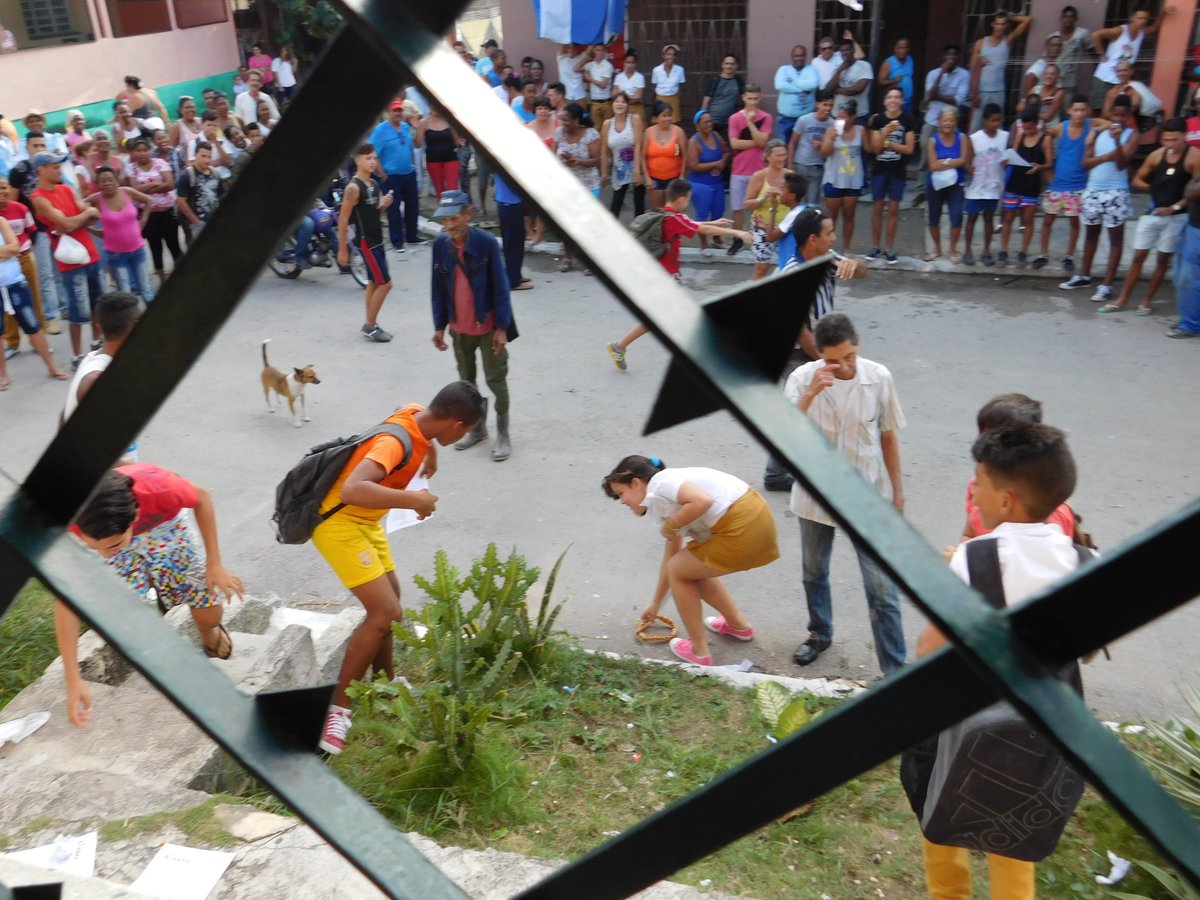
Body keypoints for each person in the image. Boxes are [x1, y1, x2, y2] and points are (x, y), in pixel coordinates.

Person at [917, 422, 1084, 899]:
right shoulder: (1084, 560)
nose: (975, 495)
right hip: (1044, 723)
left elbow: (931, 647)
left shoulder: (975, 558)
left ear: (1007, 499)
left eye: (981, 484)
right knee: (1014, 830)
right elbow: (1085, 648)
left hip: (969, 715)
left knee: (943, 815)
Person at [315, 381, 486, 754]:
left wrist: (431, 454)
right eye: (467, 431)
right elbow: (353, 489)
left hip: (366, 522)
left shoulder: (415, 414)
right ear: (456, 424)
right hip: (340, 524)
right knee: (385, 612)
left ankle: (387, 680)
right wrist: (414, 500)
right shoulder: (395, 444)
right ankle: (337, 711)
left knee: (393, 600)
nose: (463, 437)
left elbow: (406, 416)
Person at [61, 463, 244, 727]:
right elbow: (65, 602)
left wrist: (214, 564)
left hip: (167, 530)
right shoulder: (70, 519)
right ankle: (157, 592)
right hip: (117, 543)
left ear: (135, 515)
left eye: (110, 546)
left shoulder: (161, 487)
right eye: (94, 548)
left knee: (209, 613)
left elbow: (202, 496)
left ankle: (209, 634)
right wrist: (72, 677)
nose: (103, 556)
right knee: (122, 619)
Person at [786, 312, 906, 675]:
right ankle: (819, 634)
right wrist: (810, 395)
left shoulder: (879, 378)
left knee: (882, 589)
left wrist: (898, 494)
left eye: (850, 356)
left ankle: (895, 669)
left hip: (866, 496)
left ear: (858, 347)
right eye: (833, 360)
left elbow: (887, 435)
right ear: (818, 354)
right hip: (815, 495)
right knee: (813, 572)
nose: (843, 366)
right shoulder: (802, 379)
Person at [602, 455, 778, 667]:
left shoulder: (661, 483)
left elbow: (702, 500)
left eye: (621, 493)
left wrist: (671, 525)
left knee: (680, 569)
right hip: (756, 523)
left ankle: (699, 652)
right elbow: (672, 556)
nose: (622, 501)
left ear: (637, 483)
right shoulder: (664, 498)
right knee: (688, 568)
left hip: (741, 525)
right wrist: (656, 604)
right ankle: (739, 626)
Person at [761, 207, 867, 492]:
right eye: (829, 233)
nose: (834, 238)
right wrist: (826, 360)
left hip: (818, 348)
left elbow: (862, 272)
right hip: (798, 352)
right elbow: (799, 330)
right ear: (812, 240)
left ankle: (778, 471)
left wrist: (853, 265)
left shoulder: (828, 259)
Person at [605, 179, 751, 371]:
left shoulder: (665, 214)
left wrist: (713, 222)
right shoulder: (674, 219)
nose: (688, 203)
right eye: (688, 199)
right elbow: (700, 229)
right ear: (681, 199)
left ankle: (620, 346)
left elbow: (690, 224)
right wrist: (737, 233)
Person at [430, 191, 516, 461]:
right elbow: (438, 289)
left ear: (468, 214)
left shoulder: (486, 243)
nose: (449, 226)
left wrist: (502, 327)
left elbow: (501, 287)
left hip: (488, 329)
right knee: (466, 384)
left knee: (496, 381)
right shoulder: (440, 246)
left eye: (454, 218)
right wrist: (439, 326)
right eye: (445, 220)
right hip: (459, 329)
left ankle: (503, 434)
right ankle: (478, 429)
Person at [942, 395, 1076, 562]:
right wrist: (964, 550)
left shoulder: (1049, 513)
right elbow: (969, 532)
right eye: (982, 436)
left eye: (998, 440)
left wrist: (965, 564)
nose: (985, 446)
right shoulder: (980, 489)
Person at [1099, 118, 1200, 315]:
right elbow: (1137, 179)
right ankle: (1122, 299)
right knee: (1138, 257)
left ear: (1185, 137)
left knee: (1162, 260)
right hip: (1152, 213)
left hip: (1177, 216)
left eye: (1175, 140)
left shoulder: (1194, 157)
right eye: (1166, 139)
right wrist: (1153, 187)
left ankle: (1146, 301)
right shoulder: (1156, 155)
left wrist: (1174, 207)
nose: (1170, 144)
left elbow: (1196, 192)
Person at [1059, 95, 1137, 301]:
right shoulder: (1097, 133)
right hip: (1093, 190)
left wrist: (1117, 142)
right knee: (1091, 235)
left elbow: (1121, 164)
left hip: (1116, 192)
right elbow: (1085, 163)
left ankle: (1107, 284)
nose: (1118, 119)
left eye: (1123, 115)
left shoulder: (1131, 135)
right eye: (1115, 114)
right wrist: (1105, 156)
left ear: (1129, 115)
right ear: (1109, 114)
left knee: (1115, 240)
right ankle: (1084, 275)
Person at [30, 150, 102, 367]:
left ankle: (96, 344)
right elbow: (72, 222)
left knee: (96, 305)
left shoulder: (66, 189)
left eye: (59, 166)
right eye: (54, 167)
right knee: (77, 311)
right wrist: (80, 218)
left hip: (89, 254)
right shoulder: (39, 198)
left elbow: (94, 214)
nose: (59, 170)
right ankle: (77, 356)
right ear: (41, 170)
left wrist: (73, 220)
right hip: (70, 262)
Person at [336, 144, 395, 343]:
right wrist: (343, 250)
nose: (372, 162)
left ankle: (371, 322)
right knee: (386, 284)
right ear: (357, 160)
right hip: (366, 242)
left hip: (378, 239)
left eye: (374, 158)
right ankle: (370, 325)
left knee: (373, 282)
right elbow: (343, 220)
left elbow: (374, 209)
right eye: (368, 158)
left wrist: (384, 203)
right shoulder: (353, 188)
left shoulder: (374, 184)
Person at [0, 215, 66, 388]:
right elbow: (8, 249)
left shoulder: (1, 221)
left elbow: (14, 248)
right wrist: (4, 252)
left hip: (14, 282)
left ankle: (52, 367)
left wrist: (8, 250)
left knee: (33, 327)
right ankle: (3, 375)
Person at [1040, 96, 1092, 273]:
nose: (1079, 114)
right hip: (1057, 185)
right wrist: (1048, 167)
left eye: (1082, 110)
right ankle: (1043, 254)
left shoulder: (1090, 126)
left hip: (1078, 185)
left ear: (1087, 112)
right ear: (1070, 111)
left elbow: (1109, 124)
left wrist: (1095, 132)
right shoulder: (1062, 127)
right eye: (1075, 110)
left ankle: (1069, 256)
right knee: (1047, 221)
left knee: (1074, 223)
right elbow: (1046, 134)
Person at [87, 167, 155, 300]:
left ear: (117, 181)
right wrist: (93, 231)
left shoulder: (127, 192)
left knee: (146, 287)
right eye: (103, 181)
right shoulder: (96, 199)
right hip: (116, 254)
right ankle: (131, 320)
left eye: (110, 180)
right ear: (98, 184)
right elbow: (78, 209)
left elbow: (148, 200)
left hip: (137, 249)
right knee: (125, 292)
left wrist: (143, 220)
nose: (107, 183)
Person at [1090, 6, 1172, 114]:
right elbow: (1096, 35)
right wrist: (1101, 54)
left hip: (1121, 80)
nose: (1142, 21)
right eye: (1139, 18)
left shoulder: (1141, 33)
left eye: (1145, 18)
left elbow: (1154, 28)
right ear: (1132, 18)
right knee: (1099, 109)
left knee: (1117, 110)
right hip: (1104, 78)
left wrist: (1163, 13)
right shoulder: (1120, 31)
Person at [998, 109, 1053, 268]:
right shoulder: (1020, 136)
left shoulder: (1045, 140)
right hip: (1015, 182)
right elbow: (1012, 155)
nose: (1027, 131)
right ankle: (1003, 250)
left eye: (1030, 128)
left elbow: (1050, 163)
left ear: (1036, 124)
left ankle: (1023, 251)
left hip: (1031, 184)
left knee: (1028, 220)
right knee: (1008, 218)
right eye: (1025, 127)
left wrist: (1040, 167)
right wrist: (1005, 161)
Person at [866, 87, 916, 262]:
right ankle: (875, 247)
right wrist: (885, 132)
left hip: (897, 170)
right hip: (880, 169)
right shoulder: (878, 119)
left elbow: (909, 149)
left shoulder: (907, 119)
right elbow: (875, 149)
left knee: (894, 209)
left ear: (901, 100)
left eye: (897, 97)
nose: (893, 100)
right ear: (885, 101)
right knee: (878, 208)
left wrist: (890, 145)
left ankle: (889, 248)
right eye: (890, 97)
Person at [370, 99, 425, 254]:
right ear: (388, 112)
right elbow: (374, 153)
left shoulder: (406, 127)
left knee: (413, 205)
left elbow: (412, 146)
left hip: (408, 173)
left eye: (399, 110)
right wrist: (382, 174)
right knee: (393, 208)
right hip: (391, 176)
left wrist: (413, 165)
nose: (397, 113)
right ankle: (397, 241)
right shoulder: (381, 130)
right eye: (394, 110)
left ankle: (412, 235)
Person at [553, 103, 601, 273]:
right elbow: (553, 157)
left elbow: (597, 160)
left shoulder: (591, 134)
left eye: (566, 120)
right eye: (561, 120)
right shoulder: (559, 133)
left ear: (576, 120)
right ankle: (568, 257)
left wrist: (577, 161)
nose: (563, 123)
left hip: (589, 186)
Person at [968, 11, 1031, 131]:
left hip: (998, 91)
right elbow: (972, 69)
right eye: (997, 23)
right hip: (982, 91)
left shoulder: (1007, 42)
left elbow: (1027, 20)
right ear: (993, 24)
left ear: (1006, 25)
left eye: (1003, 24)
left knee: (997, 124)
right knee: (976, 125)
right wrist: (974, 94)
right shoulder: (981, 43)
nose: (1000, 27)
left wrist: (1010, 16)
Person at [962, 104, 1008, 267]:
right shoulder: (975, 138)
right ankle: (967, 251)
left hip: (994, 186)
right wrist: (971, 171)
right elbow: (967, 162)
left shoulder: (1004, 137)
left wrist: (1006, 163)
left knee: (989, 218)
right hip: (977, 186)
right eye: (993, 120)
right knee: (972, 218)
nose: (996, 124)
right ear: (985, 121)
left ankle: (986, 251)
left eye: (998, 120)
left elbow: (1006, 158)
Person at [727, 84, 772, 241]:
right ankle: (737, 240)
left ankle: (761, 239)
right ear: (744, 98)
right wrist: (757, 141)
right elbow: (734, 144)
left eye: (756, 99)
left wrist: (751, 123)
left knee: (760, 207)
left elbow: (763, 141)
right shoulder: (734, 118)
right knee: (737, 209)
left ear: (760, 99)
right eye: (750, 98)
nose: (752, 102)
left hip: (759, 170)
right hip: (739, 170)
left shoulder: (766, 117)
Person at [744, 139, 793, 278]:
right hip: (762, 227)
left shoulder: (790, 175)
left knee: (788, 266)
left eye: (784, 154)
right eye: (778, 155)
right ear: (768, 156)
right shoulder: (759, 176)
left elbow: (796, 201)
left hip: (784, 227)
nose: (782, 158)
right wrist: (763, 198)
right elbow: (747, 204)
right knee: (761, 269)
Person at [925, 106, 968, 263]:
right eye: (945, 120)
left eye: (951, 120)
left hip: (956, 184)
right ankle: (937, 249)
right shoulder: (933, 140)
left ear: (956, 122)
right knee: (933, 217)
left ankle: (952, 250)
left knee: (956, 216)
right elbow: (932, 166)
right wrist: (952, 162)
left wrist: (943, 161)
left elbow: (963, 160)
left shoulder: (961, 137)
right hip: (935, 185)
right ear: (939, 122)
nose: (948, 123)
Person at [918, 45, 969, 177]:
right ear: (944, 57)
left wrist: (937, 96)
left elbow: (959, 100)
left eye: (954, 55)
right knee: (925, 152)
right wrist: (942, 73)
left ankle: (949, 184)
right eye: (948, 55)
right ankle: (922, 188)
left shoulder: (964, 75)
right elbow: (930, 95)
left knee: (952, 153)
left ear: (958, 58)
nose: (951, 58)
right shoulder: (933, 74)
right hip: (932, 119)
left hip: (951, 122)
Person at [820, 101, 864, 252]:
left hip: (853, 179)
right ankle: (827, 248)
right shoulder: (831, 130)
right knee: (831, 218)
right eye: (838, 117)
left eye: (844, 117)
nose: (840, 120)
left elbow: (872, 148)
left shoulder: (860, 130)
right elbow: (824, 153)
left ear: (853, 118)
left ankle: (846, 249)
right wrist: (831, 139)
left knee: (849, 215)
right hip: (834, 178)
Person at [687, 110, 728, 254]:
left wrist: (722, 163)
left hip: (717, 183)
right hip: (700, 185)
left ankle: (717, 240)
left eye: (711, 121)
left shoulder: (716, 136)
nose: (710, 124)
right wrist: (715, 164)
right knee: (702, 216)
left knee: (718, 212)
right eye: (706, 122)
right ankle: (703, 245)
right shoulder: (694, 142)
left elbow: (726, 152)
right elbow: (693, 166)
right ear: (698, 126)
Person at [602, 91, 646, 219]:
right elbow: (604, 151)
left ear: (627, 105)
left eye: (623, 102)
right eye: (616, 101)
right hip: (619, 169)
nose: (619, 104)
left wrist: (637, 171)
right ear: (612, 104)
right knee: (616, 204)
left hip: (637, 165)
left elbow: (639, 146)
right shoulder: (607, 124)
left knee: (639, 205)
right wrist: (604, 173)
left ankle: (639, 235)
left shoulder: (635, 119)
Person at [788, 89, 835, 207]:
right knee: (797, 202)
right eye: (825, 104)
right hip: (800, 165)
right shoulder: (804, 120)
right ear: (817, 104)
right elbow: (793, 142)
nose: (828, 108)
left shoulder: (832, 124)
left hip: (817, 167)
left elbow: (831, 149)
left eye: (831, 105)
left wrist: (822, 146)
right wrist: (789, 166)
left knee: (812, 204)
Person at [1170, 172, 1200, 338]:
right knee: (1182, 276)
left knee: (1188, 279)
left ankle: (1190, 324)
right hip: (1194, 226)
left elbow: (1190, 193)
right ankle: (1191, 319)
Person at [642, 101, 686, 214]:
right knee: (657, 212)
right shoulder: (648, 132)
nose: (668, 118)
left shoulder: (678, 132)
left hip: (673, 178)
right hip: (654, 179)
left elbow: (685, 156)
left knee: (672, 212)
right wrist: (647, 177)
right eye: (664, 115)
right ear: (655, 118)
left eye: (669, 115)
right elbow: (642, 157)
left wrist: (681, 176)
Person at [175, 141, 222, 241]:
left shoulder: (215, 173)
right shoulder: (187, 175)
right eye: (203, 156)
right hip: (199, 222)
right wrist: (196, 222)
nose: (206, 160)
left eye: (209, 157)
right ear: (195, 155)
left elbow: (221, 194)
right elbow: (181, 201)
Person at [774, 45, 818, 145]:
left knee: (804, 149)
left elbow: (813, 84)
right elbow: (779, 85)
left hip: (805, 120)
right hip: (785, 120)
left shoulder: (811, 70)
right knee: (782, 147)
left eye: (802, 56)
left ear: (806, 56)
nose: (799, 58)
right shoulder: (783, 70)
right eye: (796, 56)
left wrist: (793, 81)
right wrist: (802, 88)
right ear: (792, 57)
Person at [701, 53, 746, 144]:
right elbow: (706, 101)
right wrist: (703, 119)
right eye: (727, 63)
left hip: (729, 122)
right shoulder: (715, 81)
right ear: (722, 65)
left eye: (732, 64)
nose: (729, 66)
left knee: (727, 146)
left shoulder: (738, 81)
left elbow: (745, 97)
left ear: (736, 66)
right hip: (712, 122)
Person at [1050, 5, 1092, 96]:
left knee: (1067, 107)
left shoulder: (1082, 34)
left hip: (1070, 82)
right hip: (1053, 81)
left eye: (1071, 17)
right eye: (1065, 17)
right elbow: (1047, 58)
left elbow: (1092, 52)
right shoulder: (1053, 37)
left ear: (1076, 18)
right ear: (1061, 18)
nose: (1068, 20)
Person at [423, 106, 461, 199]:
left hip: (451, 158)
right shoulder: (424, 123)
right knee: (440, 191)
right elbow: (417, 144)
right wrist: (416, 127)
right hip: (433, 161)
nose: (435, 108)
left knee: (453, 188)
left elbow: (457, 141)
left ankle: (453, 212)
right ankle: (443, 213)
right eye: (433, 105)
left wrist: (461, 142)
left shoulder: (449, 120)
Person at [831, 36, 873, 118]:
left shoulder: (864, 66)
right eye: (842, 51)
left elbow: (858, 89)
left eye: (847, 50)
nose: (844, 53)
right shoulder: (838, 68)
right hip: (838, 114)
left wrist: (838, 90)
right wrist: (840, 71)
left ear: (853, 50)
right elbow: (829, 89)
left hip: (858, 114)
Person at [579, 44, 615, 130]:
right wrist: (586, 58)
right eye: (597, 50)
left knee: (608, 129)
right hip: (594, 103)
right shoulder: (590, 64)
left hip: (606, 103)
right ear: (593, 51)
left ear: (605, 52)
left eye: (601, 50)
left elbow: (603, 85)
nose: (599, 52)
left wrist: (589, 79)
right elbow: (576, 68)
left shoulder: (608, 66)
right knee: (596, 129)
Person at [877, 38, 915, 114]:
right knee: (892, 125)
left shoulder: (910, 59)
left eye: (905, 48)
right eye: (900, 48)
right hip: (893, 103)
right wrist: (894, 80)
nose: (903, 50)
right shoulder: (888, 63)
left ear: (908, 49)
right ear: (895, 49)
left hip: (907, 102)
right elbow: (880, 82)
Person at [650, 45, 686, 124]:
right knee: (659, 122)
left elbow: (681, 87)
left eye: (673, 54)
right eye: (668, 54)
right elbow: (654, 87)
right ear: (663, 56)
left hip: (674, 98)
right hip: (660, 98)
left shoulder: (680, 70)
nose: (671, 56)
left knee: (674, 122)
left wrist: (676, 98)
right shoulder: (656, 70)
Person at [614, 51, 646, 120]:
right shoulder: (618, 77)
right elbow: (615, 95)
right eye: (628, 62)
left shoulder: (640, 77)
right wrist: (632, 97)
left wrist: (623, 97)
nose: (630, 65)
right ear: (624, 63)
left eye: (632, 63)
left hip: (636, 108)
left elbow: (639, 97)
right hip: (621, 108)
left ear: (635, 63)